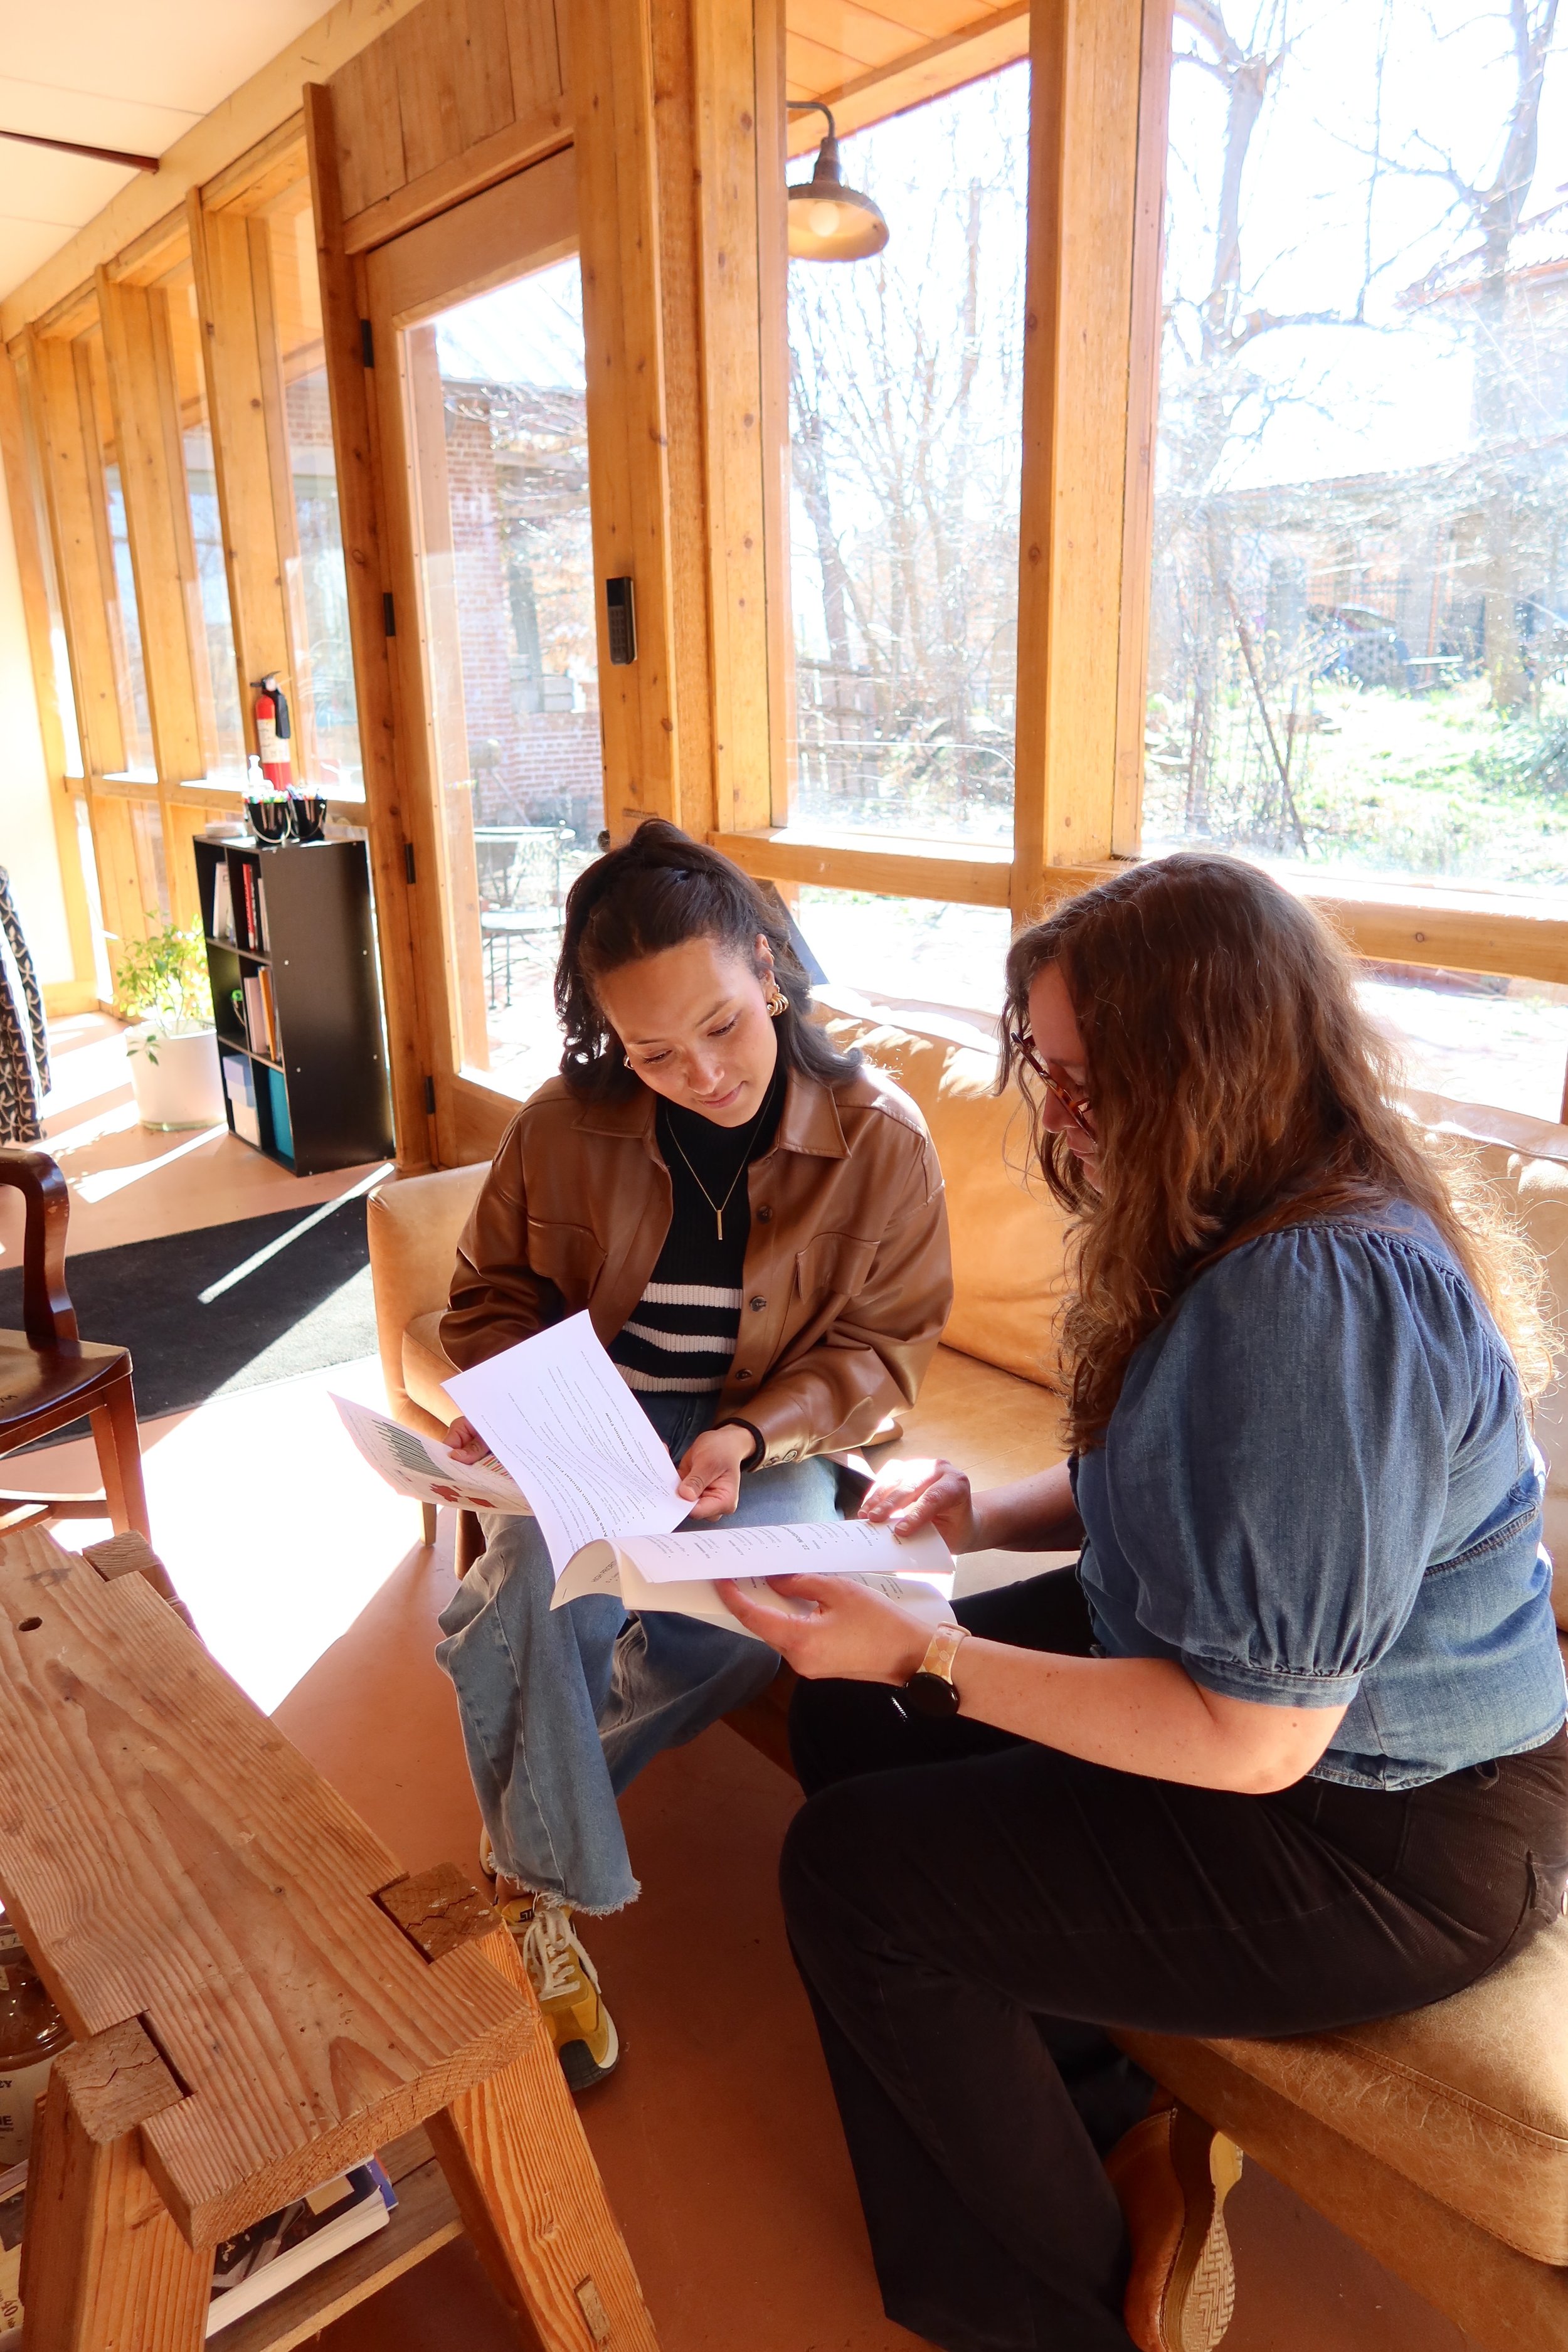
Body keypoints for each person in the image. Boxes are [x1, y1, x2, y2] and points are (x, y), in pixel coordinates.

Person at [721, 853, 1568, 2352]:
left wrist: (930, 1646)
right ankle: (1112, 2123)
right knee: (852, 1713)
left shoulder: (1318, 1296)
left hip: (1397, 1828)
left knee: (855, 1881)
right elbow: (1200, 1482)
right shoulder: (1253, 1207)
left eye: (1077, 1079)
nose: (1052, 1113)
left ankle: (1059, 2311)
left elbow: (1252, 1740)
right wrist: (988, 1515)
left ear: (1201, 1063)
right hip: (1278, 1706)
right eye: (1043, 1069)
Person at [437, 820, 951, 2089]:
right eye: (653, 1052)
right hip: (593, 1411)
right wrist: (515, 1394)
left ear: (767, 968)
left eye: (721, 1026)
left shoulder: (878, 1139)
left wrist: (744, 1432)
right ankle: (545, 1891)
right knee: (527, 1575)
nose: (699, 1075)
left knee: (746, 1608)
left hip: (756, 1424)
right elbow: (488, 1289)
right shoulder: (565, 1123)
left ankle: (517, 1837)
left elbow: (886, 1352)